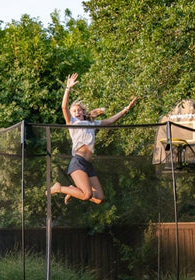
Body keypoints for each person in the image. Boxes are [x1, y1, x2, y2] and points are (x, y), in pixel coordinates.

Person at [49, 72, 137, 204]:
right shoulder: (72, 123)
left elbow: (110, 121)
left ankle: (72, 190)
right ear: (72, 115)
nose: (77, 112)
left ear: (84, 112)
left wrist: (125, 110)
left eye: (79, 110)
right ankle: (60, 188)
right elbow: (63, 107)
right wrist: (68, 88)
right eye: (74, 111)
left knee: (99, 198)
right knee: (87, 195)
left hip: (88, 164)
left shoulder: (92, 123)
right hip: (78, 162)